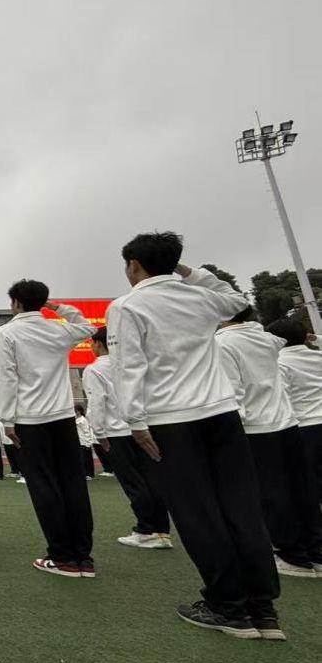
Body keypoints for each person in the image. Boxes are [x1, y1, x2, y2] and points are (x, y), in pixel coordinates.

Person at [108, 233, 281, 639]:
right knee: (242, 508)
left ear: (134, 265)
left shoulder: (128, 305)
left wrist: (135, 421)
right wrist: (187, 270)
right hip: (221, 414)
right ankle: (263, 609)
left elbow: (128, 366)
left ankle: (228, 607)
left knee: (198, 513)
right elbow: (235, 299)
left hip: (171, 419)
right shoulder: (200, 296)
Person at [0, 282, 96, 578]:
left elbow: (5, 377)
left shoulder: (6, 333)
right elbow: (87, 326)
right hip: (62, 417)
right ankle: (83, 557)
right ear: (42, 302)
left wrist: (7, 420)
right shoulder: (58, 330)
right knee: (73, 485)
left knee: (44, 487)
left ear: (15, 303)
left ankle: (62, 556)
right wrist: (58, 308)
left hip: (30, 420)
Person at [216, 307, 322, 577]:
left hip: (257, 429)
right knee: (303, 490)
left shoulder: (222, 343)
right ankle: (316, 550)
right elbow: (297, 338)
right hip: (288, 423)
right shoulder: (267, 338)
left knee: (273, 495)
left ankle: (293, 557)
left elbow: (233, 393)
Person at [81, 326, 171, 549]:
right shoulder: (133, 365)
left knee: (133, 483)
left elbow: (97, 403)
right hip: (144, 427)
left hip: (117, 432)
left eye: (92, 344)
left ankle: (146, 529)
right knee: (153, 480)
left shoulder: (95, 370)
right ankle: (161, 531)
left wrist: (98, 432)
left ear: (99, 344)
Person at [268, 318, 322, 510]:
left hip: (306, 426)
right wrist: (316, 339)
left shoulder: (279, 364)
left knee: (314, 479)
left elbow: (282, 397)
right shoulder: (318, 356)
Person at [74, 405, 97, 480]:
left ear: (79, 411)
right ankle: (83, 474)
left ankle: (89, 474)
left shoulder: (83, 420)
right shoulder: (75, 419)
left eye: (76, 411)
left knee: (87, 459)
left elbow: (86, 431)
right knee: (81, 459)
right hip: (79, 442)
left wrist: (88, 443)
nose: (75, 412)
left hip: (84, 442)